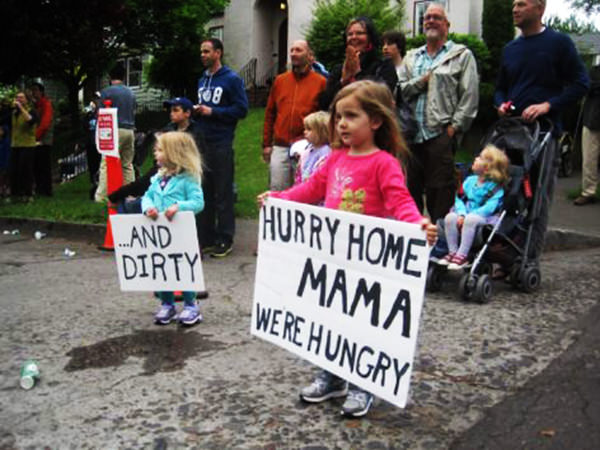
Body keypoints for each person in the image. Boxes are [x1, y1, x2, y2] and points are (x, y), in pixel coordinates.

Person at [258, 80, 437, 418]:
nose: (341, 123)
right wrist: (278, 199)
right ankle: (333, 374)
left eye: (351, 116)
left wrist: (417, 227)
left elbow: (401, 203)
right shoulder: (336, 159)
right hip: (334, 259)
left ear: (376, 121)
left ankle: (363, 382)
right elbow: (311, 189)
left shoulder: (384, 163)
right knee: (331, 318)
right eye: (338, 116)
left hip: (368, 266)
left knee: (363, 324)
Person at [494, 0, 589, 257]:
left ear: (540, 8)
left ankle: (529, 258)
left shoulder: (559, 44)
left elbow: (581, 83)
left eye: (521, 4)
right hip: (511, 133)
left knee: (538, 198)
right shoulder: (510, 50)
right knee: (506, 193)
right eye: (513, 4)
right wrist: (501, 104)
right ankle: (503, 251)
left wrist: (549, 105)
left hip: (544, 134)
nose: (514, 9)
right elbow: (500, 88)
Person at [398, 2, 479, 224]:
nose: (430, 20)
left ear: (447, 25)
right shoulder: (412, 57)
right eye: (427, 18)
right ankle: (414, 243)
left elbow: (469, 97)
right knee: (410, 192)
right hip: (411, 135)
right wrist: (421, 82)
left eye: (436, 17)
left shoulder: (461, 55)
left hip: (440, 134)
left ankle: (441, 244)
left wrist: (453, 129)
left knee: (440, 194)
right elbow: (401, 90)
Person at [142, 131, 205, 325]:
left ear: (174, 154)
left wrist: (179, 206)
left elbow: (198, 202)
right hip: (160, 234)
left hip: (180, 233)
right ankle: (167, 304)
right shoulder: (157, 179)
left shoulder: (189, 179)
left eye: (160, 150)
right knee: (163, 269)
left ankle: (190, 305)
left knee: (183, 269)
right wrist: (148, 208)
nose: (155, 153)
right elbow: (147, 196)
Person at [194, 38, 249, 258]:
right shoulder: (201, 80)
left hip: (221, 142)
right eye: (201, 52)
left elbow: (241, 109)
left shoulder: (231, 79)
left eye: (207, 51)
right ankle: (206, 237)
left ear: (218, 53)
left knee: (223, 192)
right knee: (204, 192)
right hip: (202, 143)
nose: (203, 55)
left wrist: (213, 112)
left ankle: (225, 238)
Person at [262, 40, 326, 191]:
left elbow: (324, 116)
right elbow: (270, 113)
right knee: (277, 190)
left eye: (298, 50)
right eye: (292, 50)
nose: (293, 54)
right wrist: (266, 144)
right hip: (280, 146)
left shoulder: (321, 82)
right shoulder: (280, 81)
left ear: (310, 56)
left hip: (307, 147)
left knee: (304, 190)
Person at [439, 145, 509, 270]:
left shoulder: (495, 188)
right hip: (466, 213)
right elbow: (459, 198)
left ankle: (463, 255)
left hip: (485, 218)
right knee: (450, 217)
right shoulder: (469, 181)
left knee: (471, 219)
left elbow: (489, 208)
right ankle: (452, 251)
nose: (475, 158)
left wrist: (468, 216)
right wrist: (461, 214)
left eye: (480, 158)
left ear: (487, 168)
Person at [318, 16, 398, 111]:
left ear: (370, 37)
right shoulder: (339, 69)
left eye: (359, 33)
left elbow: (382, 97)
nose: (354, 37)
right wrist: (343, 81)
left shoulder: (383, 64)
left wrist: (357, 74)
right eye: (350, 34)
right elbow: (325, 104)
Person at [95, 63, 137, 203]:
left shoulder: (107, 92)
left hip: (114, 130)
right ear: (124, 77)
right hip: (130, 130)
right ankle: (130, 194)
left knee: (106, 162)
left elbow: (100, 113)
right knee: (127, 164)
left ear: (110, 77)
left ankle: (102, 196)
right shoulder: (131, 93)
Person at [574, 63, 600, 206]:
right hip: (592, 120)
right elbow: (587, 87)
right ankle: (588, 192)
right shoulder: (594, 70)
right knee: (589, 159)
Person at [8, 92, 38, 203]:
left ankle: (28, 193)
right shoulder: (13, 112)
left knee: (25, 169)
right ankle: (15, 193)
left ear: (26, 100)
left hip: (27, 144)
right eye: (17, 97)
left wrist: (21, 108)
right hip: (15, 144)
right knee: (14, 170)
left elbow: (30, 120)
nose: (18, 99)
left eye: (21, 98)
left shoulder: (31, 111)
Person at [289, 111, 331, 185]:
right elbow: (299, 173)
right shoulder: (307, 150)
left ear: (321, 132)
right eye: (305, 129)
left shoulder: (326, 153)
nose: (305, 132)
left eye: (309, 129)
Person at [30, 82, 54, 197]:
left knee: (43, 165)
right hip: (37, 139)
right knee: (37, 165)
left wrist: (35, 136)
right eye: (32, 91)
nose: (33, 93)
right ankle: (40, 188)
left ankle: (45, 190)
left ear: (41, 92)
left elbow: (45, 123)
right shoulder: (36, 105)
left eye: (35, 90)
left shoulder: (46, 104)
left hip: (44, 140)